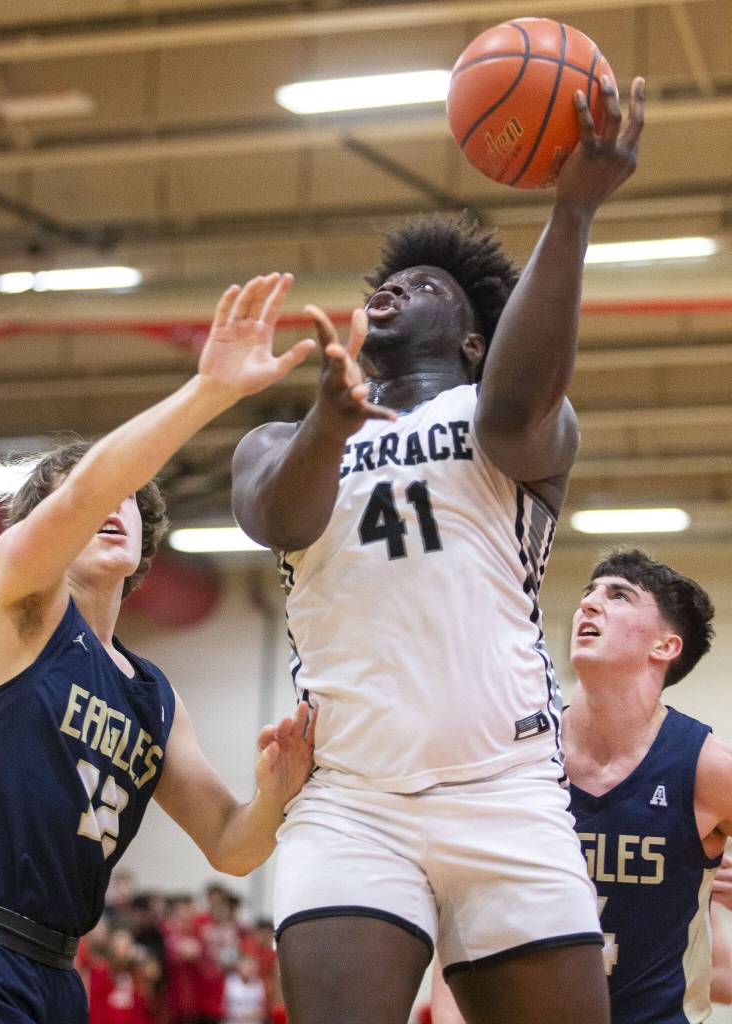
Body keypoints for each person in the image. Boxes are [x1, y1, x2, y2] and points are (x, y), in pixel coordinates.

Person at [231, 75, 645, 1024]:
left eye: (426, 286)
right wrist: (331, 426)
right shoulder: (283, 442)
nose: (395, 287)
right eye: (387, 281)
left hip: (504, 792)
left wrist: (573, 209)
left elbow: (515, 400)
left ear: (470, 337)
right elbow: (277, 519)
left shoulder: (508, 422)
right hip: (355, 802)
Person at [0, 273, 317, 1024]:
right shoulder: (20, 605)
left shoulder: (152, 696)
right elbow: (80, 495)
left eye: (131, 502)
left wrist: (274, 790)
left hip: (54, 970)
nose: (111, 504)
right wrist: (209, 391)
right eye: (88, 494)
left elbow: (231, 847)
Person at [432, 549, 732, 1023]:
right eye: (588, 593)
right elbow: (461, 911)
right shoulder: (518, 755)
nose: (589, 605)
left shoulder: (706, 767)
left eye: (618, 596)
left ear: (664, 647)